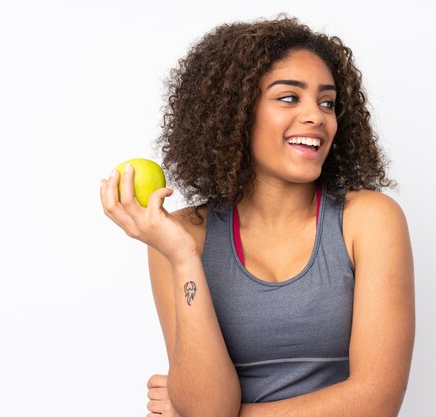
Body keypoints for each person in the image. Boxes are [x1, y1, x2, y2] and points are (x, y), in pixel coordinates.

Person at [100, 14, 414, 417]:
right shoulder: (179, 235)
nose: (316, 116)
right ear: (237, 111)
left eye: (327, 102)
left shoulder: (369, 220)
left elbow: (376, 401)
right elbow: (207, 404)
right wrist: (182, 258)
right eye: (289, 97)